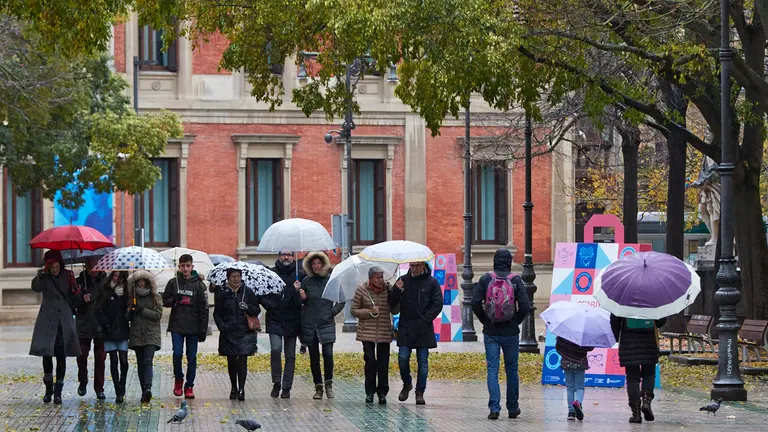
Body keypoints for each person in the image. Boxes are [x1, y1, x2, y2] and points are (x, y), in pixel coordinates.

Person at [471, 248, 531, 419]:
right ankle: (513, 408)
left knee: (492, 369)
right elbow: (525, 306)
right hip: (511, 332)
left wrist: (485, 320)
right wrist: (515, 321)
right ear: (509, 263)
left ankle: (494, 408)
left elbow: (475, 302)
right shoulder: (516, 281)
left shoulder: (486, 279)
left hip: (491, 331)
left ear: (494, 261)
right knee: (512, 370)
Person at [30, 250, 82, 404]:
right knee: (47, 354)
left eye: (57, 266)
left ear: (61, 264)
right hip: (47, 321)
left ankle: (58, 392)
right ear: (47, 266)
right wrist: (40, 275)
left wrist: (75, 287)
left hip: (64, 322)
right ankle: (48, 388)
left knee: (61, 356)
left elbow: (75, 298)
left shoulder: (68, 275)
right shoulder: (44, 278)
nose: (55, 269)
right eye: (52, 267)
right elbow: (35, 287)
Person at [388, 261, 442, 405]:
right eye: (412, 265)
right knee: (403, 358)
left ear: (423, 266)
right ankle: (407, 384)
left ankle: (420, 392)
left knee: (423, 362)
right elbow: (391, 304)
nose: (415, 268)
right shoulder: (403, 281)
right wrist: (396, 289)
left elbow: (437, 304)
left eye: (418, 265)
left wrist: (425, 320)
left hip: (423, 327)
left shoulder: (432, 282)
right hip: (406, 326)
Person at [162, 254, 209, 399]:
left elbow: (204, 308)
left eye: (188, 265)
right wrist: (174, 300)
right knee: (177, 354)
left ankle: (189, 385)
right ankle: (178, 379)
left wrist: (203, 330)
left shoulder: (199, 285)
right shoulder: (173, 282)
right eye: (183, 265)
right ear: (179, 267)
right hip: (177, 325)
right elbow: (165, 300)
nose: (185, 268)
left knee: (192, 357)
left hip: (193, 327)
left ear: (192, 266)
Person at [299, 251, 343, 400]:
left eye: (318, 263)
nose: (316, 266)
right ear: (310, 266)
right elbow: (302, 303)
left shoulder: (331, 280)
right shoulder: (305, 281)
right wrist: (302, 297)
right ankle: (318, 387)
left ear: (323, 264)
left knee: (328, 354)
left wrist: (332, 312)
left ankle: (329, 384)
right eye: (313, 264)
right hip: (310, 324)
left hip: (326, 323)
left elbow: (341, 299)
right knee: (314, 358)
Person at [351, 266, 398, 405]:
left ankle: (382, 392)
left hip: (383, 331)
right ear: (370, 278)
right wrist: (369, 312)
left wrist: (396, 295)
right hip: (367, 332)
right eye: (377, 277)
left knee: (383, 364)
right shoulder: (362, 289)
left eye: (382, 277)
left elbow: (395, 310)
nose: (380, 280)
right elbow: (354, 310)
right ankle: (369, 392)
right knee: (370, 362)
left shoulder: (388, 290)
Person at [213, 268, 260, 401]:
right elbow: (217, 313)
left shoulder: (247, 292)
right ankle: (233, 387)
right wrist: (222, 327)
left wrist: (247, 307)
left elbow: (256, 310)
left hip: (245, 332)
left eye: (238, 276)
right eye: (233, 276)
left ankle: (242, 389)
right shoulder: (223, 293)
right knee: (232, 361)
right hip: (228, 333)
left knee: (243, 361)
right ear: (228, 278)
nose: (236, 279)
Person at [611, 314, 667, 423]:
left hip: (628, 342)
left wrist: (618, 336)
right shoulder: (653, 298)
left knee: (632, 379)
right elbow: (661, 321)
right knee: (649, 374)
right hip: (649, 341)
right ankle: (646, 401)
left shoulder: (623, 298)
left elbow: (614, 320)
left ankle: (636, 414)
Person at [265, 251, 305, 399]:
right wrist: (269, 304)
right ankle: (276, 382)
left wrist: (296, 291)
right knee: (275, 350)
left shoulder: (299, 275)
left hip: (292, 320)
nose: (286, 257)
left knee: (290, 356)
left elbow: (301, 302)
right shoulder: (271, 273)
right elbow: (262, 294)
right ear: (278, 255)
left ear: (293, 256)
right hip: (275, 318)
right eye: (283, 254)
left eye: (289, 254)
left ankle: (287, 387)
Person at [127, 270, 163, 404]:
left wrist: (142, 310)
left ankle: (148, 387)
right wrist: (131, 310)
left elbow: (158, 314)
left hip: (151, 334)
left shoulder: (155, 297)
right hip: (137, 334)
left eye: (144, 281)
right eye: (139, 281)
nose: (141, 283)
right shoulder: (132, 296)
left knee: (148, 361)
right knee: (141, 363)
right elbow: (127, 317)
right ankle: (144, 391)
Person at [74, 256, 108, 399]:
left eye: (96, 266)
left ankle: (99, 388)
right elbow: (72, 302)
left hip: (101, 325)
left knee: (100, 359)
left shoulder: (106, 282)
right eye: (90, 266)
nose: (93, 269)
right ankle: (83, 381)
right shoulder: (79, 281)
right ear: (86, 266)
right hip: (84, 324)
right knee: (81, 356)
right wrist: (82, 299)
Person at [96, 271, 131, 403]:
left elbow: (128, 315)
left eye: (119, 276)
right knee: (114, 361)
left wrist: (129, 310)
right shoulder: (105, 291)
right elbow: (99, 310)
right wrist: (107, 326)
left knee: (123, 360)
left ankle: (122, 384)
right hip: (109, 332)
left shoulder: (126, 293)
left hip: (122, 331)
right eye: (114, 276)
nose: (116, 279)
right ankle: (118, 390)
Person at [555, 336, 594, 421]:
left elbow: (557, 348)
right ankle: (578, 404)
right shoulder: (583, 336)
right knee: (580, 387)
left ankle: (571, 413)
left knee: (570, 388)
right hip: (579, 363)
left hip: (566, 363)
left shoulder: (563, 334)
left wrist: (565, 354)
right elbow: (590, 348)